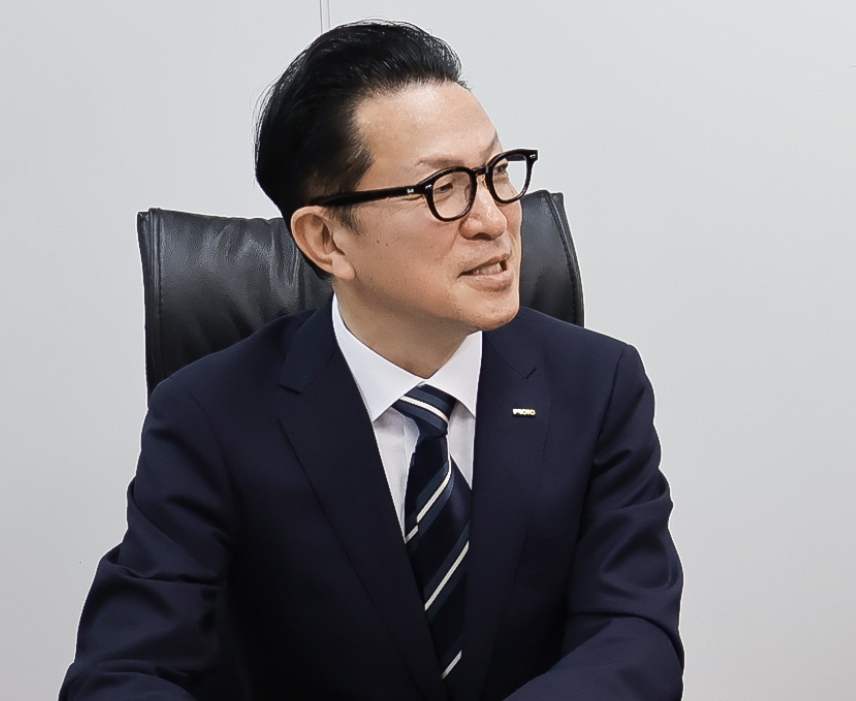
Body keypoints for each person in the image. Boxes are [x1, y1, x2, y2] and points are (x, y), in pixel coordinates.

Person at [60, 20, 683, 701]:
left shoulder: (598, 384)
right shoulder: (209, 416)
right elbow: (123, 672)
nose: (495, 219)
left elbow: (633, 634)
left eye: (498, 171)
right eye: (443, 187)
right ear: (326, 239)